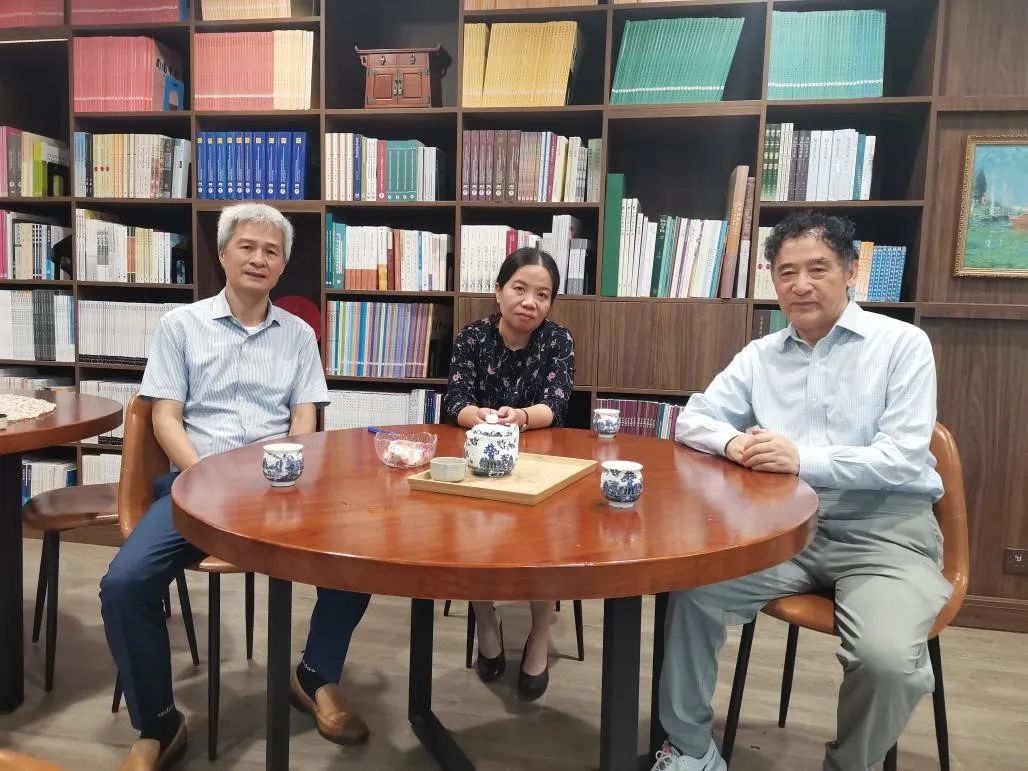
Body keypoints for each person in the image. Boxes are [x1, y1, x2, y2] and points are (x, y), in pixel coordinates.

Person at [652, 210, 953, 771]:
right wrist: (734, 444)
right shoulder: (760, 355)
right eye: (786, 272)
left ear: (851, 271)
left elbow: (902, 457)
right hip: (782, 532)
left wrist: (800, 458)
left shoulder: (902, 344)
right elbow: (693, 419)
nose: (801, 285)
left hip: (886, 534)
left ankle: (848, 765)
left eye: (818, 268)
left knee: (886, 661)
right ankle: (689, 747)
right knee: (693, 591)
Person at [99, 203, 372, 771]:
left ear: (283, 266)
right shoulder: (181, 326)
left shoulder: (299, 335)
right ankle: (159, 723)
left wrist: (288, 467)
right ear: (222, 254)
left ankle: (314, 675)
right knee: (124, 584)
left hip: (282, 489)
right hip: (197, 487)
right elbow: (164, 417)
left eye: (272, 251)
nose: (258, 259)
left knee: (360, 556)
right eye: (247, 246)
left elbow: (304, 417)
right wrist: (202, 475)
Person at [443, 246, 575, 700]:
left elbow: (556, 405)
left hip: (539, 457)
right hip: (480, 453)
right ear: (498, 291)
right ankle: (485, 617)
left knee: (546, 537)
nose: (529, 302)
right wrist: (478, 415)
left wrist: (519, 417)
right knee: (467, 529)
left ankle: (540, 630)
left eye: (542, 294)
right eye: (520, 288)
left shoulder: (557, 340)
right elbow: (455, 400)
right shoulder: (472, 337)